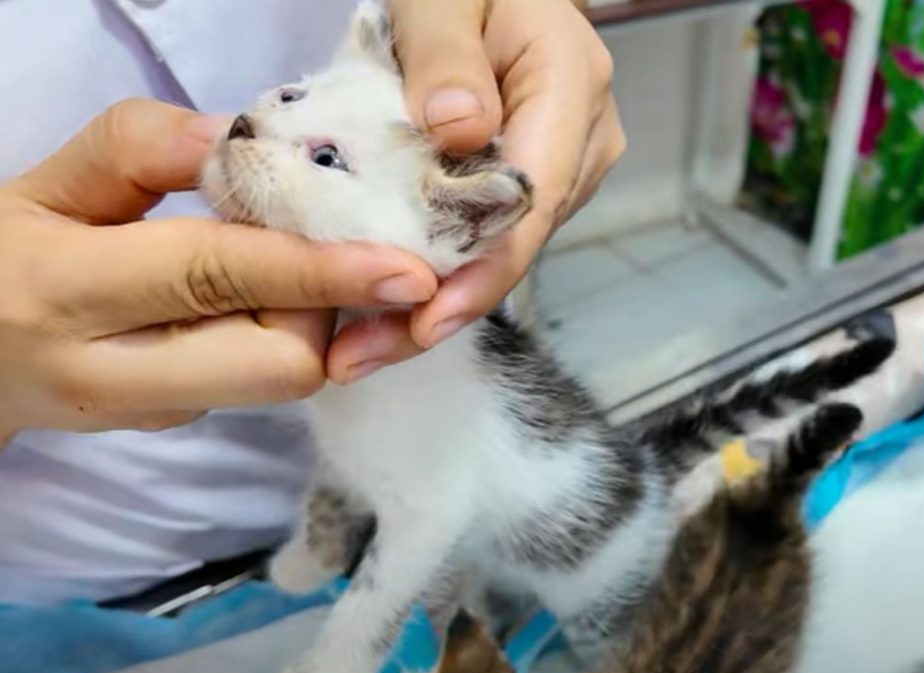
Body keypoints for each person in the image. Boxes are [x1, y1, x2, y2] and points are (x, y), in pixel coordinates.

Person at [0, 0, 625, 604]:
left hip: (425, 444)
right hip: (89, 552)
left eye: (322, 152)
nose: (250, 121)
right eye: (290, 101)